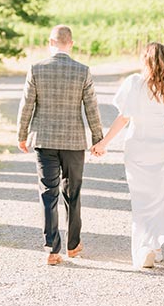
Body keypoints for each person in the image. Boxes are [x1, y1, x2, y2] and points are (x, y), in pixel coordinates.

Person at [94, 41, 164, 269]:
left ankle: (145, 248)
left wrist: (104, 143)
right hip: (160, 147)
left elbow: (124, 118)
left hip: (137, 146)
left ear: (145, 61)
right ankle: (154, 247)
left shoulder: (134, 83)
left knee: (141, 199)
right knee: (158, 197)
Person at [17, 24, 104, 265]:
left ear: (50, 42)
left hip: (44, 141)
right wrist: (98, 139)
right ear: (71, 44)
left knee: (48, 193)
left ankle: (52, 250)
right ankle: (73, 245)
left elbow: (26, 106)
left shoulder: (36, 69)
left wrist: (21, 134)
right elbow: (92, 109)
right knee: (73, 193)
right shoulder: (82, 71)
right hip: (74, 142)